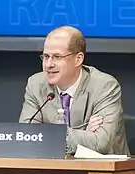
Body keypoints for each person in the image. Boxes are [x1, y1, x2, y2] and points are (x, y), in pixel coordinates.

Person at [19, 26, 130, 155]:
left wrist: (48, 132)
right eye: (46, 56)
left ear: (78, 59)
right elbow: (26, 136)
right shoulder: (36, 84)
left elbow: (101, 143)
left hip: (103, 171)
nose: (49, 64)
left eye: (57, 57)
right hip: (53, 169)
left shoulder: (104, 86)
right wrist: (85, 132)